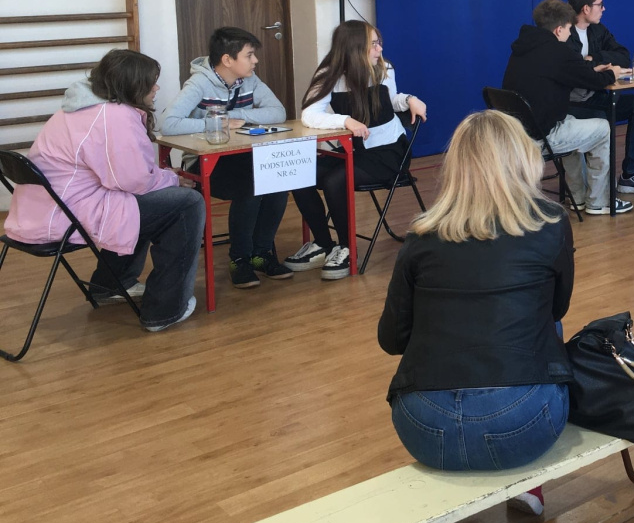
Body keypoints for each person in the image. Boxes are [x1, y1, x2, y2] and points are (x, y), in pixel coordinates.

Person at [379, 110, 572, 515]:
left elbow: (391, 339)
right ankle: (526, 484)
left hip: (422, 425)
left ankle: (446, 490)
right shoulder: (552, 223)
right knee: (548, 322)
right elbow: (558, 309)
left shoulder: (420, 237)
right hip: (523, 420)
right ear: (524, 159)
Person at [3, 50, 204, 332]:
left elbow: (123, 175)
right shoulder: (114, 115)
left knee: (146, 203)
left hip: (40, 213)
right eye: (151, 82)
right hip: (65, 216)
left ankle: (112, 285)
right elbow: (134, 182)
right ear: (132, 84)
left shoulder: (80, 106)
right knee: (186, 204)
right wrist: (171, 179)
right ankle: (166, 310)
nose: (156, 88)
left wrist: (163, 177)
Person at [287, 20, 427, 280]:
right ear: (354, 47)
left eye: (379, 42)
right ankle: (323, 243)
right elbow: (309, 114)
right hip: (355, 151)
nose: (380, 49)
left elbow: (392, 101)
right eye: (373, 44)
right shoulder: (329, 73)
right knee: (297, 174)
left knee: (335, 180)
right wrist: (345, 121)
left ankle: (346, 247)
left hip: (388, 153)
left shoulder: (384, 68)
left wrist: (410, 99)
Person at [160, 27, 291, 289]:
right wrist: (216, 123)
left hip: (242, 157)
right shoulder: (199, 83)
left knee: (278, 180)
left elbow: (278, 112)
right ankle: (239, 259)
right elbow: (168, 124)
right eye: (249, 55)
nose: (255, 61)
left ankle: (261, 253)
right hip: (205, 164)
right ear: (227, 60)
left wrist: (235, 118)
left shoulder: (250, 80)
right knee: (250, 186)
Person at [503, 0, 634, 215]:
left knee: (570, 122)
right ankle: (599, 202)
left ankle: (578, 198)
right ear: (559, 30)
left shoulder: (522, 48)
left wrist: (590, 70)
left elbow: (569, 71)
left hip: (515, 133)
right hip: (541, 136)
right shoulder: (558, 51)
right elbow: (594, 81)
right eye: (568, 29)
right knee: (603, 128)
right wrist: (613, 73)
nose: (569, 33)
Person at [564, 0, 634, 197]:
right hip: (572, 104)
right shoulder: (564, 32)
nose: (604, 9)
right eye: (600, 4)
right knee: (601, 118)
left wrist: (595, 57)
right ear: (586, 8)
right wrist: (594, 66)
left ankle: (630, 175)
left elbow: (622, 55)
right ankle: (598, 189)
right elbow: (573, 70)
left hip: (597, 97)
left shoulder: (598, 29)